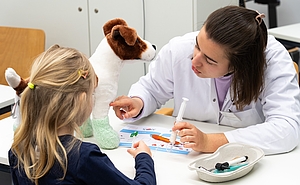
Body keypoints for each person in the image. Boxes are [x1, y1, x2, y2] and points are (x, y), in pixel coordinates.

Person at [110, 6, 300, 155]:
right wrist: (138, 101)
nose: (195, 60)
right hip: (185, 159)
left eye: (210, 60)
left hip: (248, 162)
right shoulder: (179, 48)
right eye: (197, 45)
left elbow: (287, 128)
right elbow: (152, 88)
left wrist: (211, 142)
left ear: (240, 65)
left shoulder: (273, 60)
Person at [8, 45, 156, 185]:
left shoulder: (18, 149)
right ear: (82, 100)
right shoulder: (83, 157)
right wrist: (144, 158)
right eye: (93, 93)